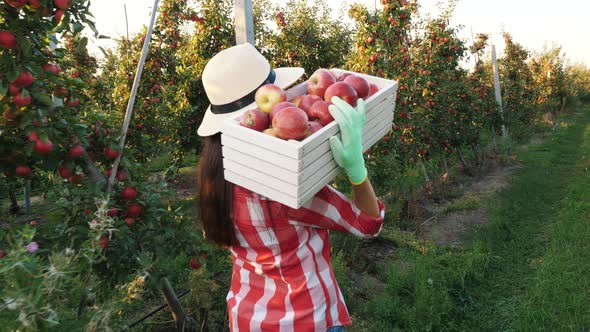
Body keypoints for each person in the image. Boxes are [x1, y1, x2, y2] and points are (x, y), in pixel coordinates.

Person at [196, 43, 385, 332]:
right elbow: (367, 223)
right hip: (305, 319)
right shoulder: (279, 185)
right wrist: (356, 171)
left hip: (247, 319)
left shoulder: (213, 178)